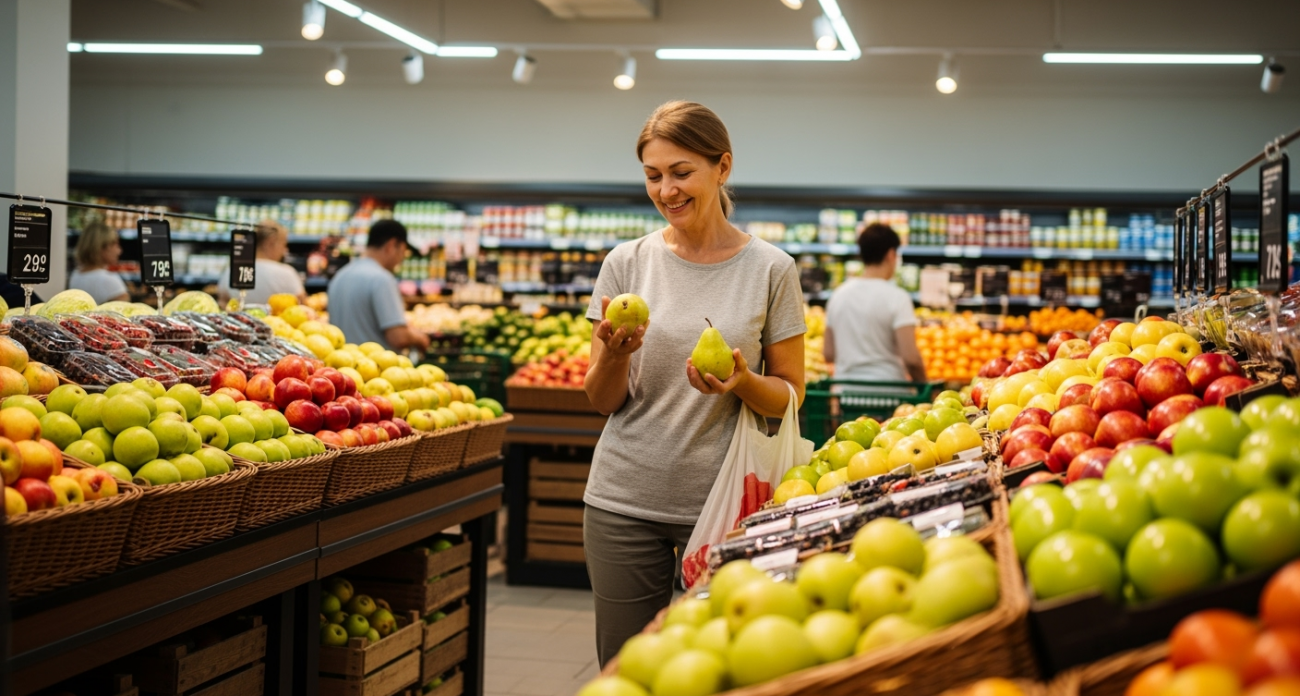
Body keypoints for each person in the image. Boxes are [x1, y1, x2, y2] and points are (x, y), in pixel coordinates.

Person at [582, 101, 807, 666]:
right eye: (653, 176)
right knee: (626, 665)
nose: (666, 190)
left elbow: (790, 395)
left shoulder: (771, 269)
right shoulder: (625, 264)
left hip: (729, 502)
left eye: (681, 172)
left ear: (722, 167)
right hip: (623, 501)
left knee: (715, 663)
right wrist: (613, 356)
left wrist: (740, 382)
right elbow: (602, 400)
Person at [823, 223, 927, 382]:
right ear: (891, 254)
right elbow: (911, 358)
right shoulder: (897, 297)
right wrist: (924, 385)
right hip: (889, 392)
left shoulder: (838, 295)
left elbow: (828, 353)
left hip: (847, 392)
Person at [327, 219, 429, 352]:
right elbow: (398, 337)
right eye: (403, 251)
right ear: (391, 246)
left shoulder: (340, 276)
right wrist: (420, 338)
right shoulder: (382, 279)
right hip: (372, 368)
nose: (402, 259)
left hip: (341, 365)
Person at [217, 219, 306, 306]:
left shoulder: (231, 270)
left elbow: (223, 303)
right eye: (284, 244)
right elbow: (302, 306)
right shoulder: (287, 273)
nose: (285, 251)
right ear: (270, 243)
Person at [69, 222, 129, 304]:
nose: (119, 251)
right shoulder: (111, 280)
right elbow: (122, 313)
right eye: (115, 244)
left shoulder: (76, 275)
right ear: (101, 247)